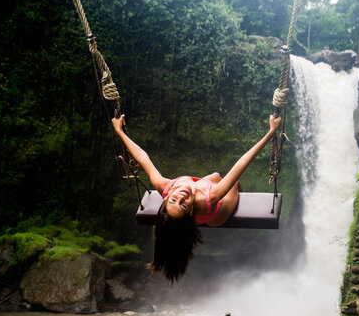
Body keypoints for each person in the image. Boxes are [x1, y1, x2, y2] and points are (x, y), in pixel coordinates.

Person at [111, 113, 282, 282]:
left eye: (173, 200)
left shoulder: (164, 186)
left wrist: (120, 131)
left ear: (166, 196)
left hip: (200, 194)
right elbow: (243, 161)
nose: (181, 196)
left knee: (216, 175)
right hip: (219, 212)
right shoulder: (212, 197)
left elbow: (142, 157)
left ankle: (188, 209)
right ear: (191, 210)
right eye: (183, 205)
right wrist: (271, 131)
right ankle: (232, 197)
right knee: (234, 182)